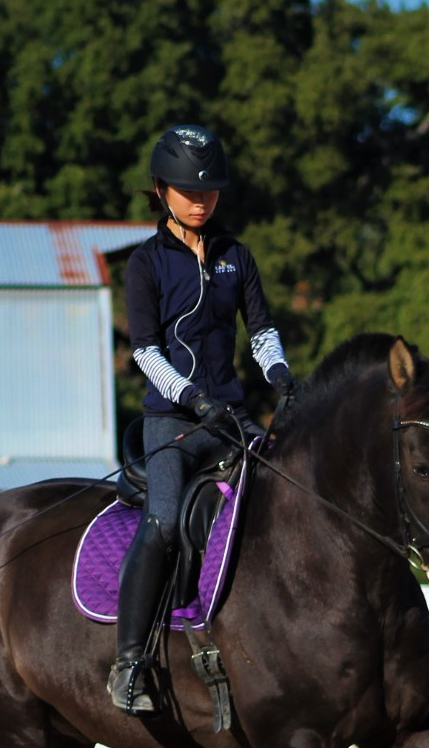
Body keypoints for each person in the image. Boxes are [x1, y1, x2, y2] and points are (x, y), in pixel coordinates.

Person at [107, 123, 296, 715]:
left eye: (210, 189)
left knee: (287, 502)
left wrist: (281, 376)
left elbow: (261, 329)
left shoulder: (236, 256)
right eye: (188, 189)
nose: (200, 199)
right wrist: (192, 399)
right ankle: (129, 661)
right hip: (172, 423)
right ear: (161, 189)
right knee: (163, 523)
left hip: (232, 420)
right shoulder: (145, 264)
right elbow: (145, 352)